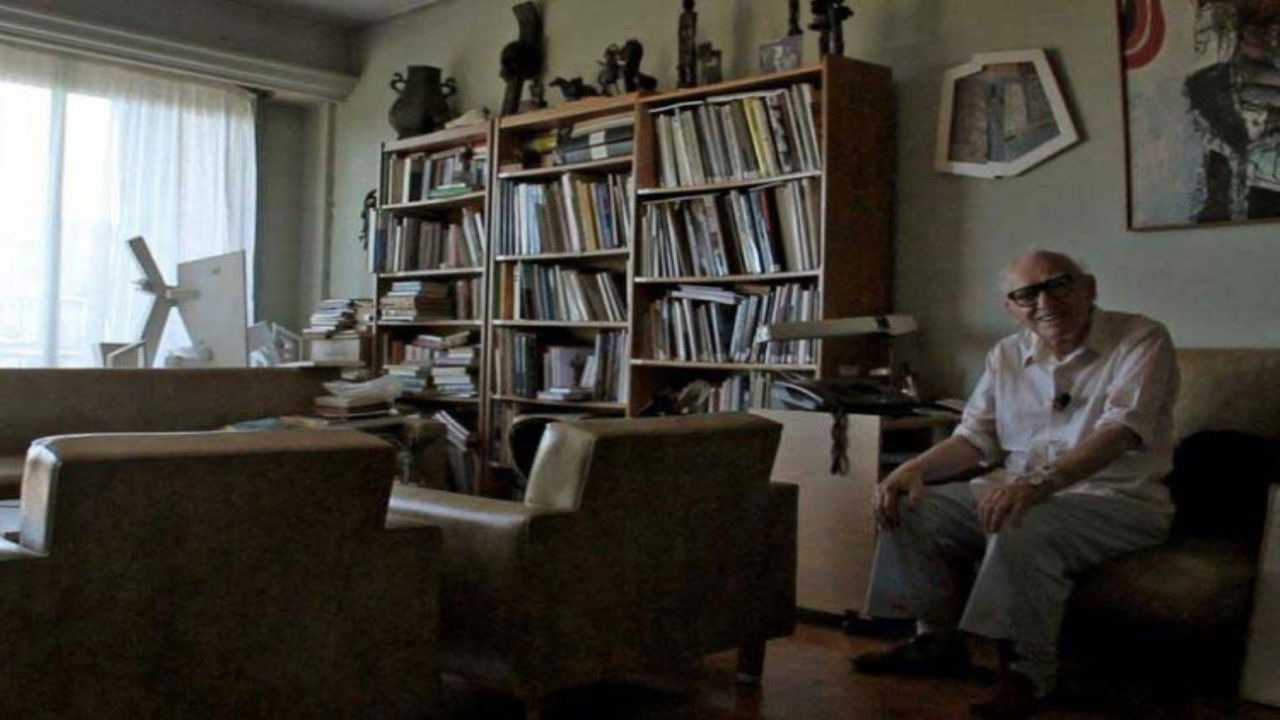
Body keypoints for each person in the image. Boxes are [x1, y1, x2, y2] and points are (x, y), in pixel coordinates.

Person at [852, 250, 1178, 720]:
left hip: (1115, 500)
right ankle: (935, 642)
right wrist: (911, 470)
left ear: (1089, 288)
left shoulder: (1141, 338)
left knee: (1018, 519)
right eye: (1027, 294)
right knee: (911, 505)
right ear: (1012, 308)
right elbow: (974, 438)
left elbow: (1122, 430)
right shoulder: (1006, 354)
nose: (1045, 302)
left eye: (1058, 284)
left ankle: (1028, 672)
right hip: (1018, 490)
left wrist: (1041, 483)